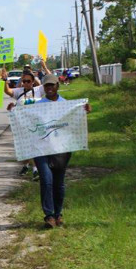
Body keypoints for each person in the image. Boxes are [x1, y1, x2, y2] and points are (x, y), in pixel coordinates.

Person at [33, 74, 91, 229]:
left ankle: (58, 214)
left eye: (52, 85)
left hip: (61, 149)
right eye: (47, 86)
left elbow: (74, 123)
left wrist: (84, 112)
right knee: (46, 180)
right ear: (43, 88)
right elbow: (25, 120)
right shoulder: (37, 106)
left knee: (58, 183)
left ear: (57, 86)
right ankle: (49, 216)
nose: (50, 88)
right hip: (42, 149)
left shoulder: (66, 105)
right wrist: (13, 111)